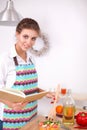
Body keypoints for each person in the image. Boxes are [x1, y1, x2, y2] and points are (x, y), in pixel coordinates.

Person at [0, 18, 43, 130]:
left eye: (33, 38)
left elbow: (27, 86)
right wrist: (11, 105)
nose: (29, 42)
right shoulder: (5, 59)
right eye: (25, 36)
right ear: (17, 34)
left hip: (31, 114)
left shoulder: (31, 59)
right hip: (11, 117)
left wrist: (43, 92)